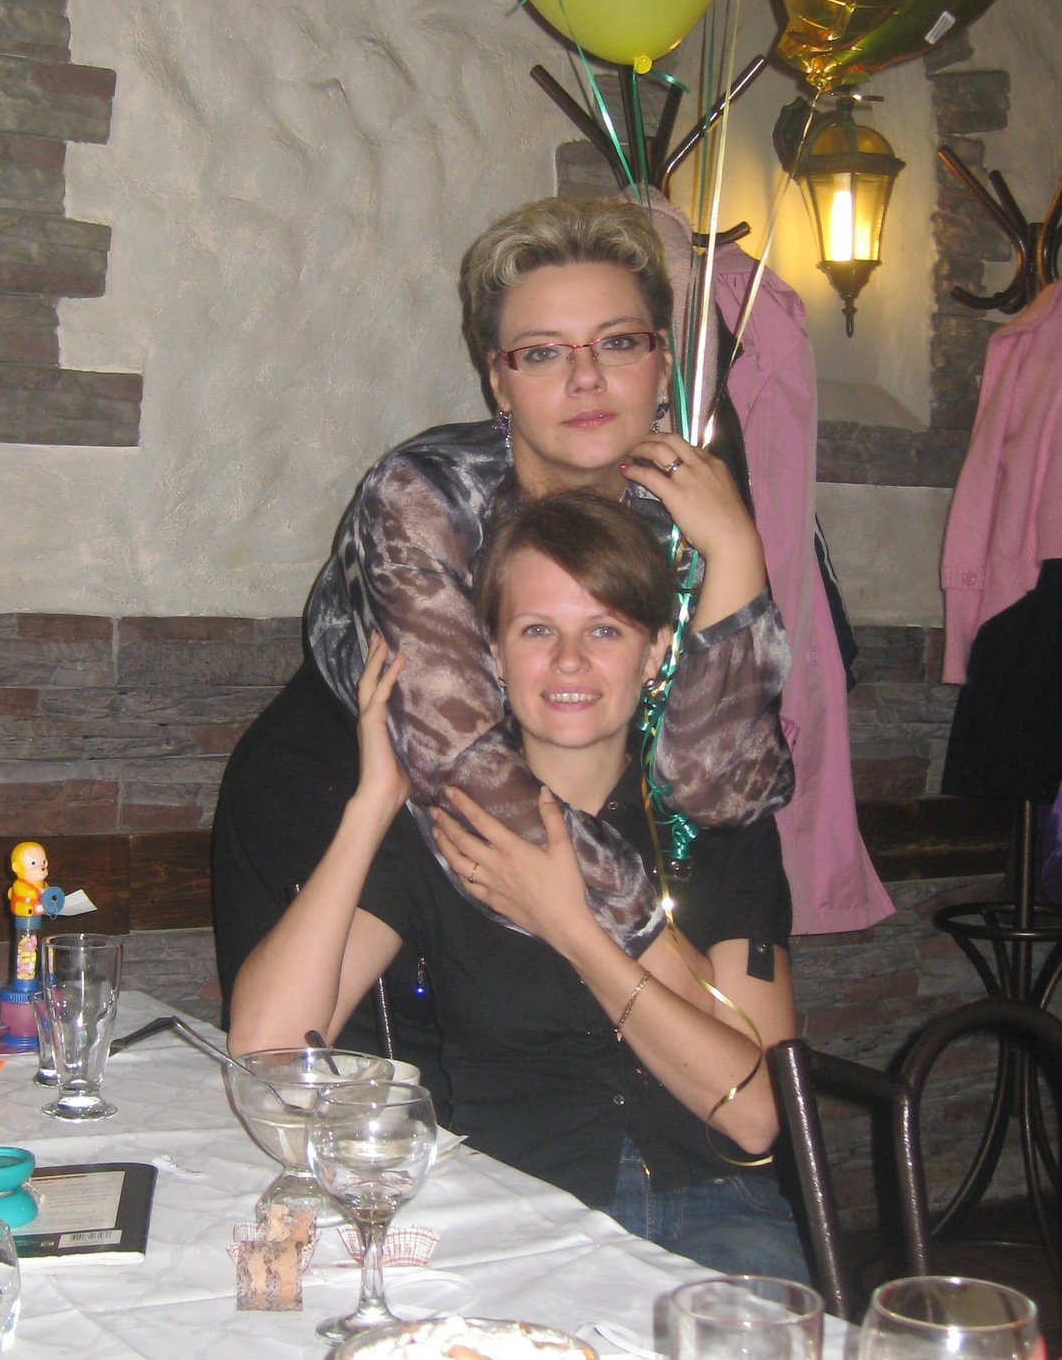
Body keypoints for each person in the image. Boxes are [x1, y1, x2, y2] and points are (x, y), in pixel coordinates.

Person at [211, 199, 795, 1068]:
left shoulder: (687, 508)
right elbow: (459, 759)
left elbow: (719, 794)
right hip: (353, 815)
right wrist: (653, 950)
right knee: (344, 1097)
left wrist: (739, 554)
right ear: (498, 381)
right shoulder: (424, 494)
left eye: (618, 343)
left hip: (553, 840)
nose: (586, 379)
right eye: (543, 353)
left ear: (663, 362)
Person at [229, 491, 809, 1279]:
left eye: (604, 630)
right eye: (537, 630)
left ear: (654, 654)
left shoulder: (716, 825)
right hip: (518, 1216)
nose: (569, 661)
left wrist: (572, 928)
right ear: (494, 658)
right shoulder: (451, 830)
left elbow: (754, 1113)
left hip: (717, 1214)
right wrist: (374, 803)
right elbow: (266, 1046)